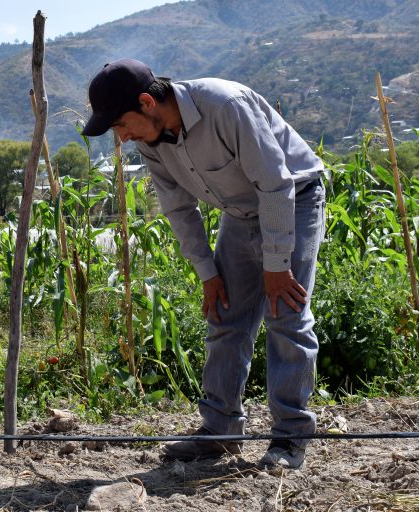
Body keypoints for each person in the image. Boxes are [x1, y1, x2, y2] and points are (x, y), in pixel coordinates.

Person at [82, 59, 325, 470]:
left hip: (291, 202)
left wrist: (277, 263)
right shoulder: (151, 141)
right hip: (239, 213)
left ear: (146, 102)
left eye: (120, 124)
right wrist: (208, 274)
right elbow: (179, 209)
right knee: (225, 314)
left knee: (286, 314)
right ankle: (220, 433)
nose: (121, 138)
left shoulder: (226, 105)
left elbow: (275, 182)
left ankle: (290, 438)